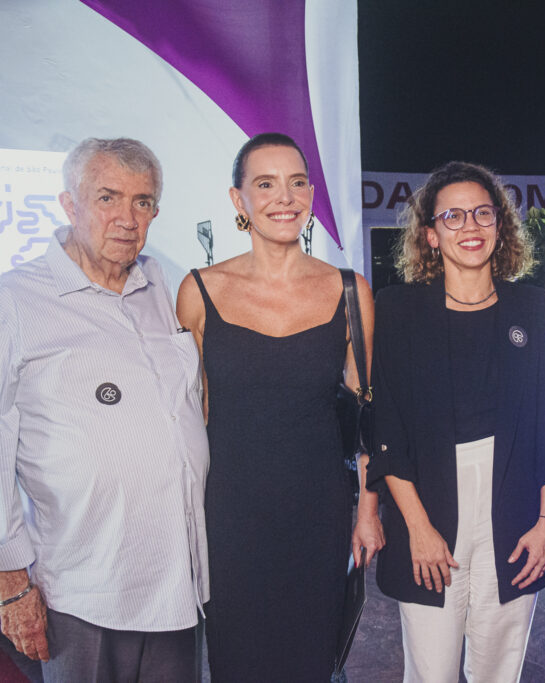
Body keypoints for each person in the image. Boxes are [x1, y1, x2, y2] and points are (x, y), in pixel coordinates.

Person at [0, 138, 209, 681]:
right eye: (108, 197)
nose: (127, 219)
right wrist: (11, 584)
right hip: (84, 590)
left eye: (143, 202)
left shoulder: (161, 284)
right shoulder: (15, 300)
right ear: (69, 205)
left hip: (176, 583)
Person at [176, 132, 383, 682]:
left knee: (311, 658)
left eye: (296, 183)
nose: (283, 197)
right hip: (230, 514)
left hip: (317, 511)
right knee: (238, 659)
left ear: (311, 195)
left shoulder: (349, 291)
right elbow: (190, 415)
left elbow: (368, 416)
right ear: (238, 200)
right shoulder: (198, 291)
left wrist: (367, 510)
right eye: (264, 184)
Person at [367, 161, 545, 682]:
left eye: (482, 213)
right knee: (431, 670)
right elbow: (384, 425)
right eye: (452, 217)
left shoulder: (533, 307)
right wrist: (416, 526)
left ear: (500, 226)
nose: (470, 226)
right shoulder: (396, 311)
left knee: (499, 666)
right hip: (428, 498)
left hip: (514, 501)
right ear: (430, 235)